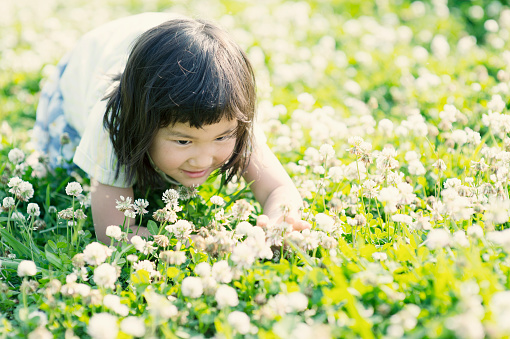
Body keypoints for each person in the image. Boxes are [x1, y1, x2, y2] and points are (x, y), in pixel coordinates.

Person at [32, 12, 309, 244]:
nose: (203, 159)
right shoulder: (113, 121)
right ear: (143, 127)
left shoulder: (227, 107)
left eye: (221, 137)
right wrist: (190, 241)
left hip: (173, 52)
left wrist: (280, 219)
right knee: (64, 170)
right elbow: (113, 231)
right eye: (183, 141)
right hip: (84, 66)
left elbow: (279, 190)